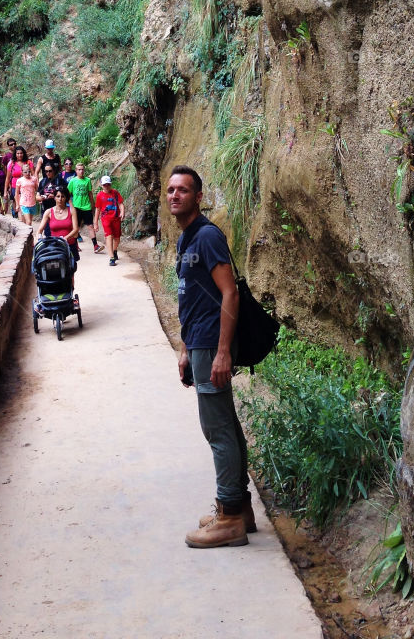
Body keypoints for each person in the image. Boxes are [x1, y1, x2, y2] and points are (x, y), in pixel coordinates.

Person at [169, 165, 253, 549]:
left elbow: (229, 293)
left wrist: (221, 352)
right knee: (226, 424)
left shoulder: (206, 237)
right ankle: (238, 506)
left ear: (198, 196)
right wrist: (185, 348)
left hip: (212, 343)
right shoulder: (187, 240)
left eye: (183, 190)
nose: (175, 196)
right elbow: (192, 297)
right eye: (171, 190)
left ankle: (230, 518)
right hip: (199, 342)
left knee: (216, 429)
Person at [36, 187, 79, 261]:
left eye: (63, 196)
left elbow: (75, 229)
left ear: (66, 198)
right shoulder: (48, 212)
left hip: (70, 245)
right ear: (54, 198)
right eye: (58, 196)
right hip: (54, 246)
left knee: (70, 269)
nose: (60, 199)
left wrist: (65, 238)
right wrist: (39, 237)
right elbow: (39, 230)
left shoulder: (72, 211)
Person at [67, 162, 99, 253]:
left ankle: (95, 246)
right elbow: (67, 194)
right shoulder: (73, 181)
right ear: (76, 171)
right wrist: (71, 205)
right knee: (76, 227)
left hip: (87, 207)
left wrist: (93, 206)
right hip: (76, 207)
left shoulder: (87, 180)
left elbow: (90, 194)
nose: (81, 171)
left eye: (82, 169)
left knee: (90, 226)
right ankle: (76, 246)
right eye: (79, 169)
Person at [94, 175, 124, 266]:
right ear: (101, 185)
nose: (106, 186)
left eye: (108, 184)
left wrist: (122, 212)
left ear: (110, 184)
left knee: (117, 238)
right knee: (109, 236)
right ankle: (111, 257)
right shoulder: (99, 195)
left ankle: (114, 251)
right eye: (104, 185)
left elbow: (120, 203)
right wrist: (95, 223)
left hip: (116, 218)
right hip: (105, 219)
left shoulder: (115, 193)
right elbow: (98, 209)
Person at [6, 145, 28, 217]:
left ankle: (24, 218)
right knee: (16, 201)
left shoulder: (27, 163)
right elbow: (8, 178)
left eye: (21, 153)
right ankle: (15, 218)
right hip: (14, 186)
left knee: (24, 202)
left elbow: (33, 174)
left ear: (23, 153)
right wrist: (5, 191)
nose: (19, 155)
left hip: (25, 186)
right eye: (18, 153)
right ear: (15, 154)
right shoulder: (12, 164)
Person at [15, 162, 38, 227]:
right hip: (24, 204)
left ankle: (28, 236)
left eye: (29, 171)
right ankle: (29, 236)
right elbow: (16, 193)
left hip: (32, 203)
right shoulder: (20, 180)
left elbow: (37, 190)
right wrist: (17, 204)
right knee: (28, 222)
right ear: (22, 172)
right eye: (25, 172)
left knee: (29, 222)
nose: (27, 173)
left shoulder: (34, 179)